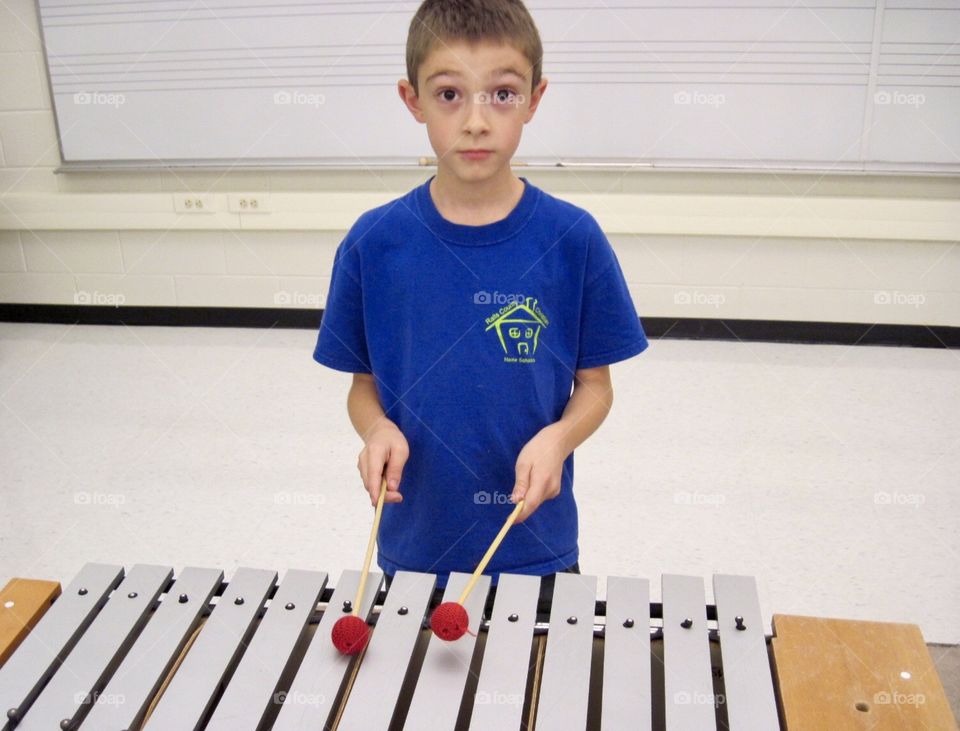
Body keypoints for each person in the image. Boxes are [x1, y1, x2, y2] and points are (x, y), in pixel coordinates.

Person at [313, 0, 649, 609]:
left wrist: (559, 440)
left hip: (532, 543)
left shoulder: (573, 239)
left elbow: (595, 387)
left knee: (537, 696)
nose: (475, 121)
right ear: (411, 100)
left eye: (502, 94)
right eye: (448, 95)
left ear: (534, 99)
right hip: (413, 546)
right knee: (412, 697)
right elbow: (362, 386)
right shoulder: (373, 243)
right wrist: (376, 428)